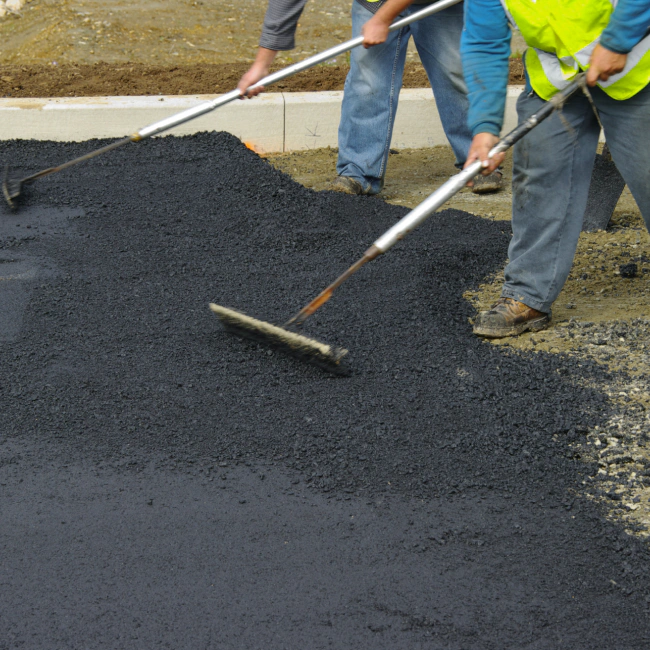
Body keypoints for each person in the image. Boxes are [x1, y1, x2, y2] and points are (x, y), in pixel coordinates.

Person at [463, 0, 650, 338]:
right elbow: (483, 42)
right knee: (538, 177)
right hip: (558, 77)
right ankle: (527, 294)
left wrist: (618, 40)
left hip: (638, 67)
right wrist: (484, 128)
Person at [237, 0, 503, 196]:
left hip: (441, 5)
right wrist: (262, 64)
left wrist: (383, 19)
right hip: (374, 4)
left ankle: (479, 160)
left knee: (456, 71)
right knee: (368, 82)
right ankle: (358, 171)